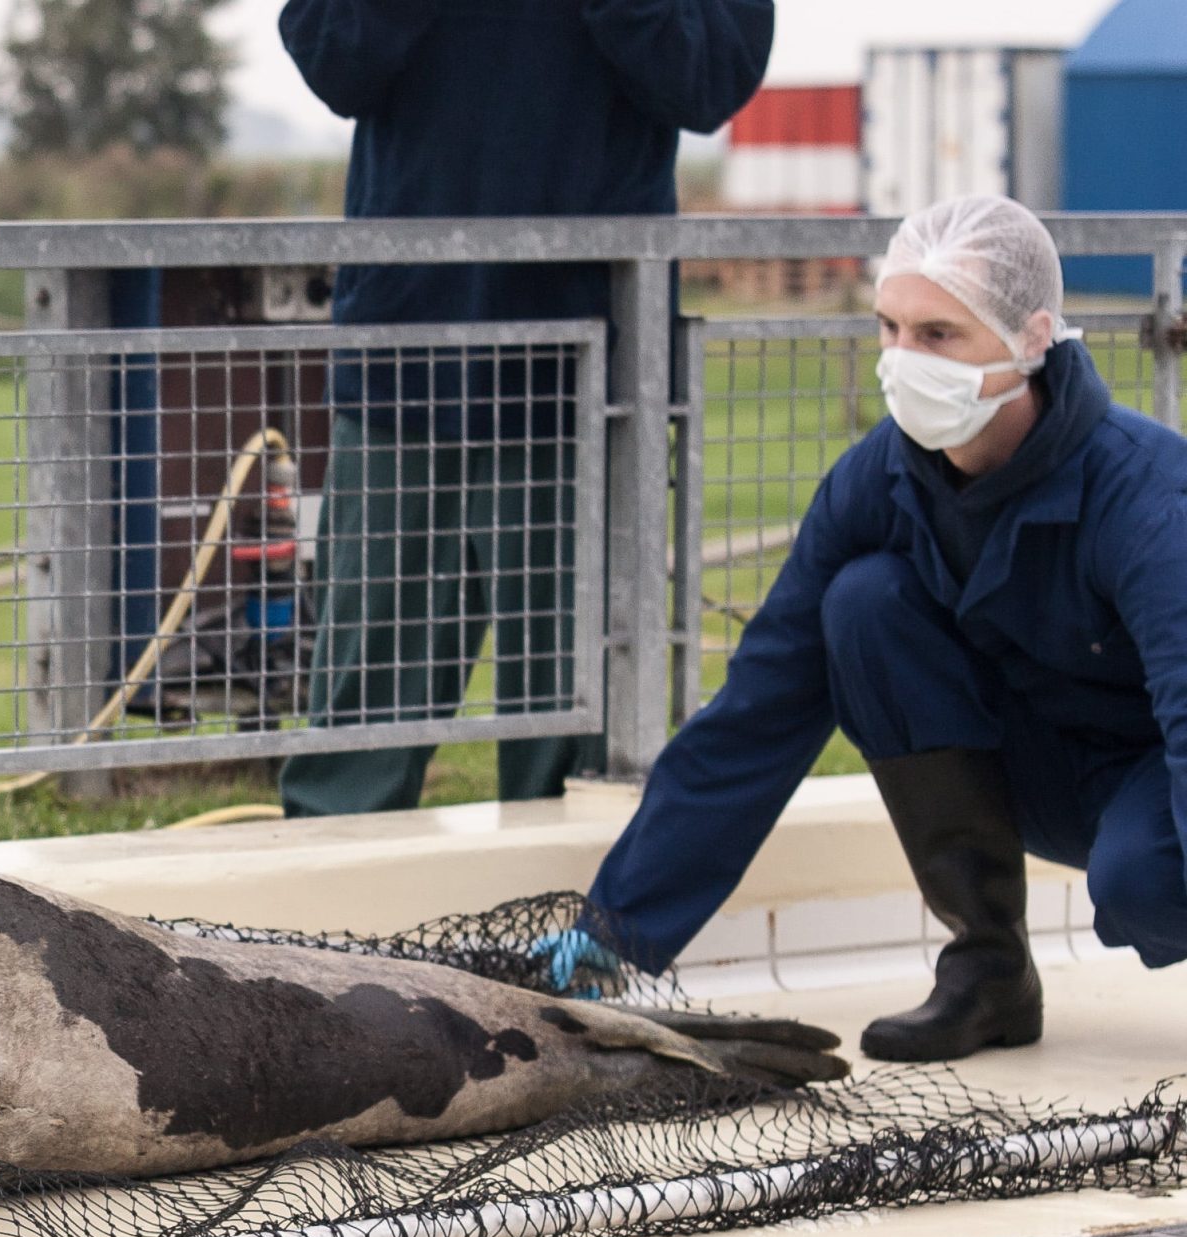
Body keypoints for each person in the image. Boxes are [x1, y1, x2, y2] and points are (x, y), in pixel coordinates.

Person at [544, 196, 1187, 1063]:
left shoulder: (1145, 495)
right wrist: (614, 933)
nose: (900, 361)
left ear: (1032, 339)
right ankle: (989, 969)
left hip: (1154, 775)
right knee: (862, 603)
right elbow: (759, 709)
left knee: (1142, 882)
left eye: (938, 335)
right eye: (889, 327)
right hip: (1039, 765)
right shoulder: (876, 483)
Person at [275, 0, 773, 816]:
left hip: (586, 389)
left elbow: (710, 81)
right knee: (356, 749)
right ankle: (309, 943)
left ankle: (575, 938)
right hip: (408, 365)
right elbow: (332, 60)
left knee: (581, 757)